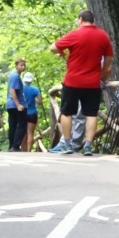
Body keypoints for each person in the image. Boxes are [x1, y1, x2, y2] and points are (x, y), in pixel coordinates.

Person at [49, 10, 113, 156]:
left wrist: (61, 53)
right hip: (92, 83)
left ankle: (67, 145)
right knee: (91, 114)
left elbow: (53, 47)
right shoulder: (103, 36)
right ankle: (88, 146)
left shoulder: (74, 34)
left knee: (67, 113)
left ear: (80, 19)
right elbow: (109, 61)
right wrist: (101, 76)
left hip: (72, 81)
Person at [6, 58, 28, 151]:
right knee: (22, 125)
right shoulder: (15, 76)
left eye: (24, 65)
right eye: (21, 65)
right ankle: (15, 146)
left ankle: (12, 145)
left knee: (13, 125)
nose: (23, 67)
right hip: (16, 105)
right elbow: (12, 90)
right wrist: (18, 104)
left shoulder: (14, 75)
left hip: (10, 104)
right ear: (16, 66)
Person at [21, 72, 42, 152]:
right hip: (32, 113)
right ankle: (29, 151)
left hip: (23, 113)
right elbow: (40, 102)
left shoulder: (21, 89)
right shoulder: (35, 89)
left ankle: (23, 150)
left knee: (23, 133)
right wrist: (34, 100)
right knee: (30, 133)